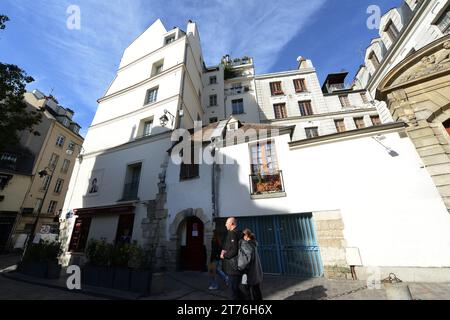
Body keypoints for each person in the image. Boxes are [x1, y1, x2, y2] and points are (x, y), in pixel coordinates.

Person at [221, 217, 244, 300]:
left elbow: (234, 250)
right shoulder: (240, 233)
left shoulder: (232, 233)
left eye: (227, 223)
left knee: (232, 292)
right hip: (239, 266)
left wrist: (224, 255)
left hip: (233, 268)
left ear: (232, 224)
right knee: (237, 289)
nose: (225, 224)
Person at [238, 228, 263, 301]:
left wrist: (240, 267)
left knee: (245, 291)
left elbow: (246, 260)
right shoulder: (253, 243)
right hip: (255, 272)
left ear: (245, 236)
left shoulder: (247, 244)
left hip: (248, 272)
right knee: (256, 290)